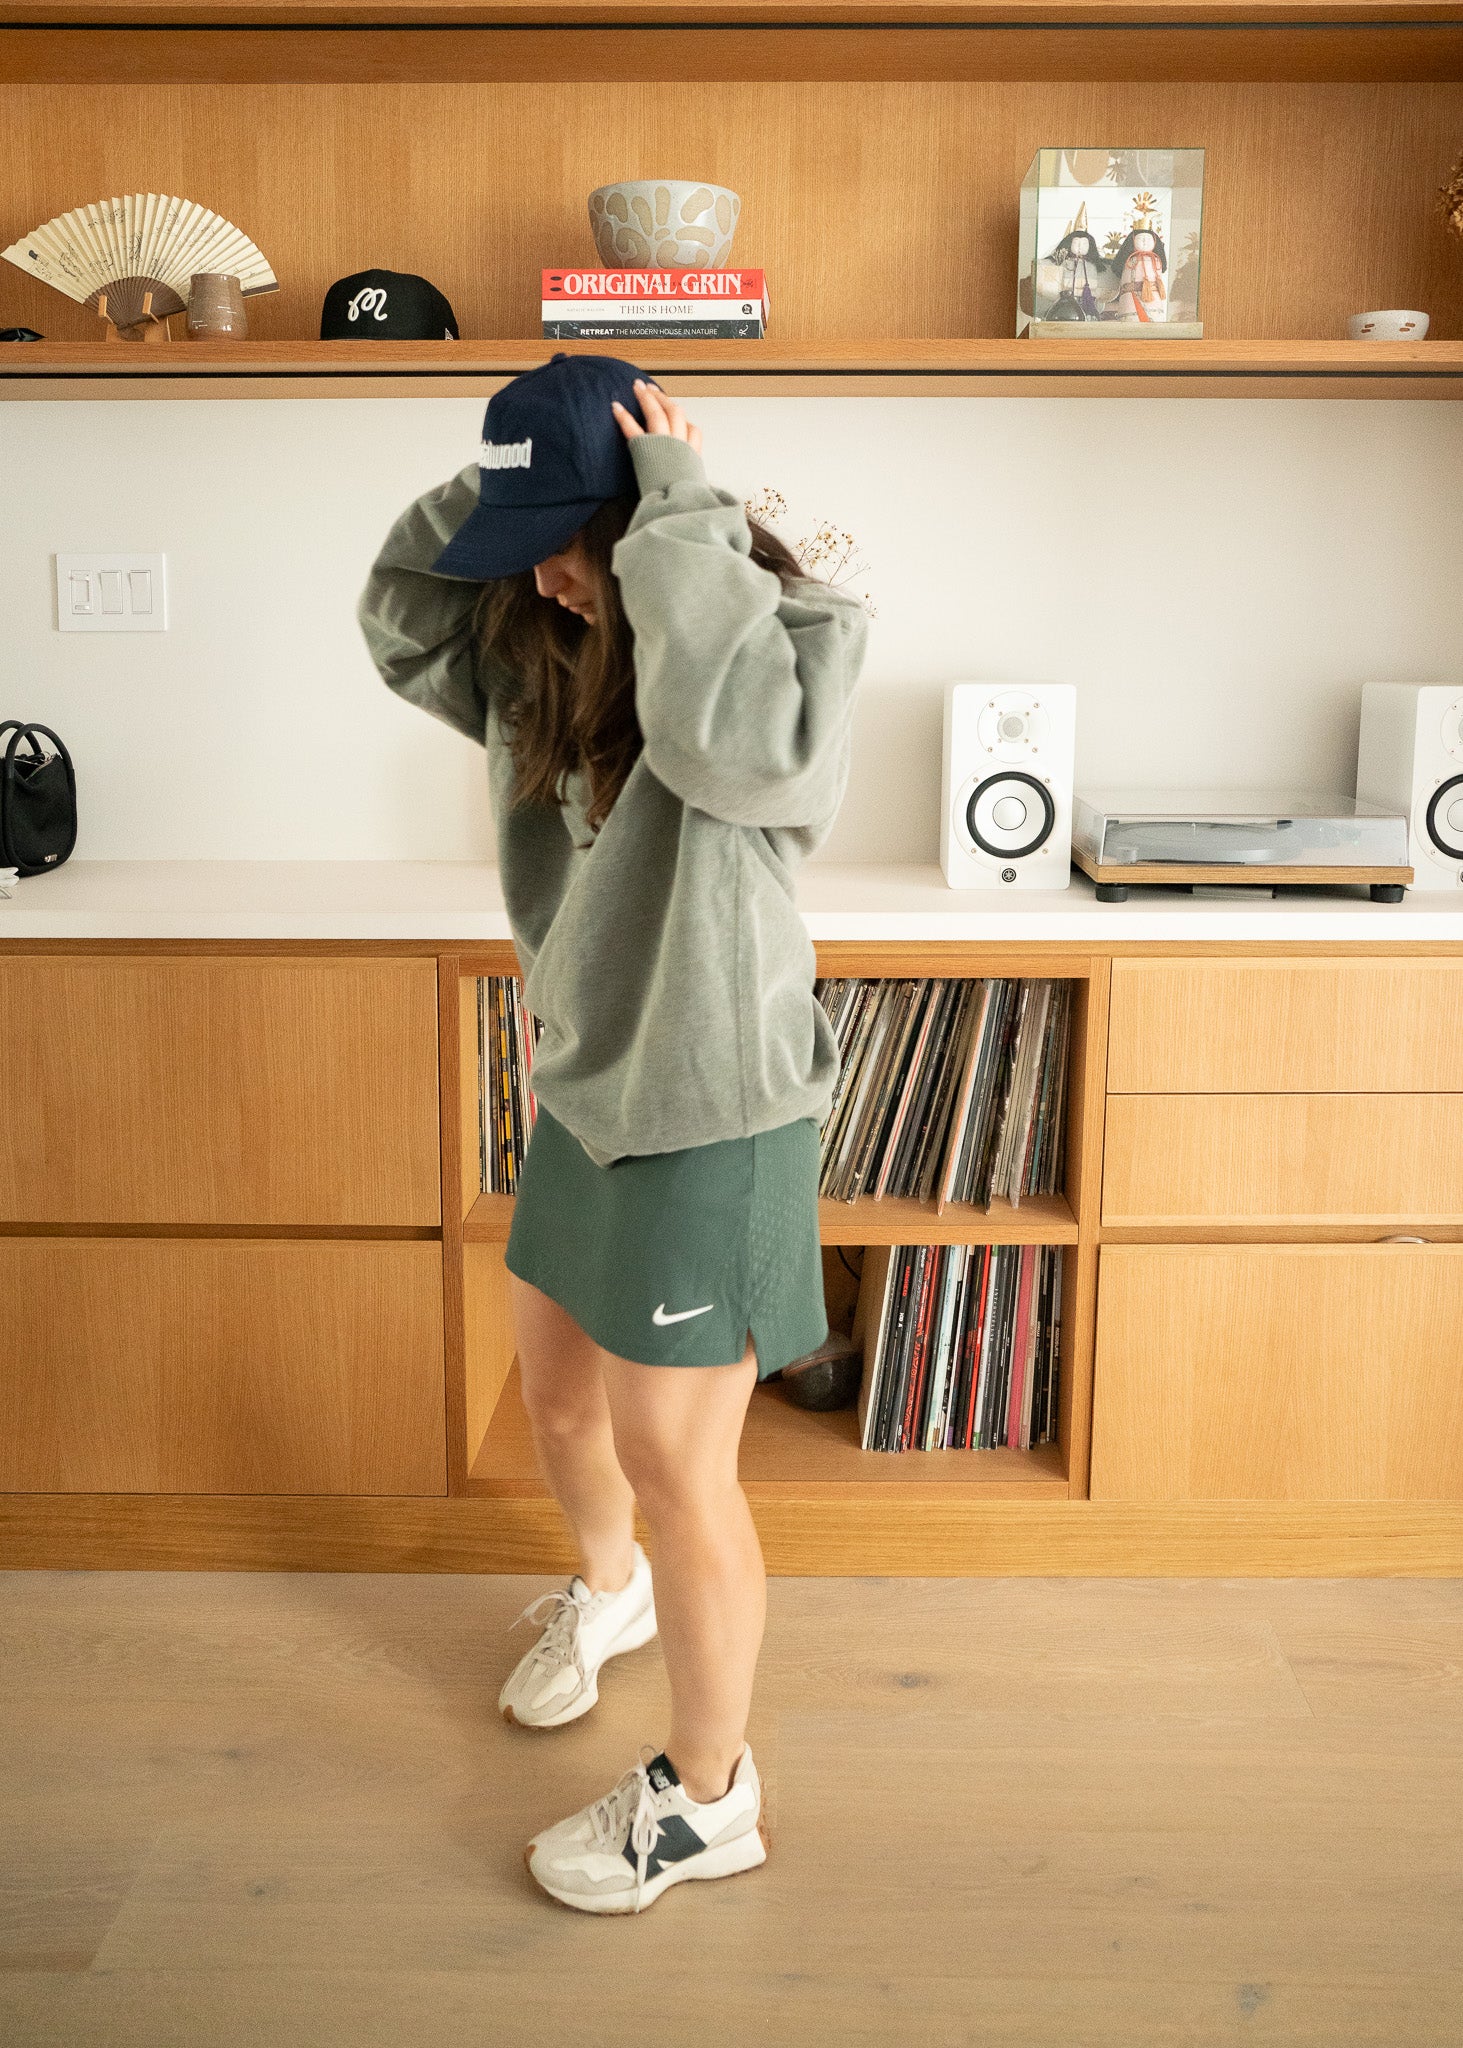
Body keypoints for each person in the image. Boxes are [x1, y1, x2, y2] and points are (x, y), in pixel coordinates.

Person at [357, 352, 868, 1915]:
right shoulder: (543, 640)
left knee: (674, 1459)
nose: (557, 575)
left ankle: (711, 1798)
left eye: (583, 540)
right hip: (586, 1094)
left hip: (714, 1111)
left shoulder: (791, 646)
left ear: (660, 519)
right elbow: (396, 613)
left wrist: (673, 514)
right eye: (542, 546)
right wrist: (521, 485)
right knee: (560, 1404)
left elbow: (745, 758)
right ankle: (608, 1596)